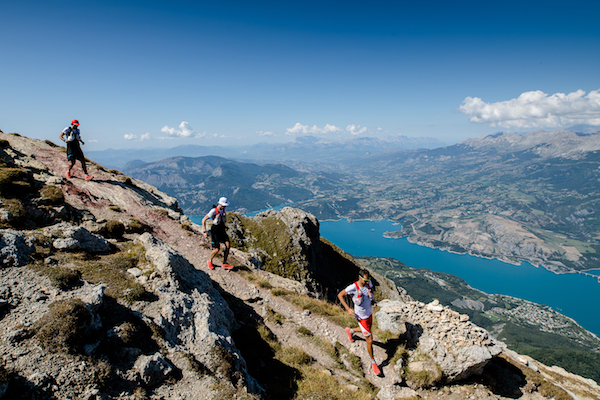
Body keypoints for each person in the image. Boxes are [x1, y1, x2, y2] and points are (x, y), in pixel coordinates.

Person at [338, 269, 381, 376]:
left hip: (369, 314)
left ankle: (350, 331)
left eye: (368, 280)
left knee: (367, 331)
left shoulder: (368, 283)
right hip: (361, 316)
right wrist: (348, 309)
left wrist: (373, 302)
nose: (367, 282)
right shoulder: (353, 287)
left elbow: (370, 294)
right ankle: (373, 362)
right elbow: (340, 295)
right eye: (365, 281)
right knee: (369, 339)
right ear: (359, 278)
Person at [201, 197, 233, 270]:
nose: (225, 207)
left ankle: (225, 263)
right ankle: (209, 261)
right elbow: (203, 220)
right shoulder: (213, 211)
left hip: (222, 229)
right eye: (224, 205)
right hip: (215, 231)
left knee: (227, 246)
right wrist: (204, 231)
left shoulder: (223, 210)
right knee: (216, 249)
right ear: (220, 204)